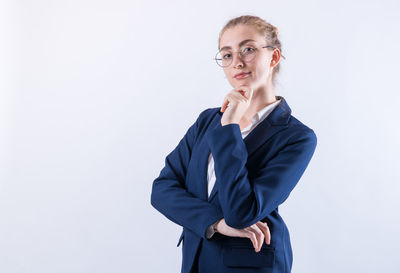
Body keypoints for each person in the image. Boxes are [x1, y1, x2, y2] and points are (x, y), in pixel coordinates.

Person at [151, 15, 317, 273]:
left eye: (248, 49)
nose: (237, 62)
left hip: (250, 263)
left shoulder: (296, 137)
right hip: (197, 259)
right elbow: (162, 190)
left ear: (273, 57)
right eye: (227, 55)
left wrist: (230, 126)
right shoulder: (208, 120)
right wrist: (214, 222)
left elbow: (242, 212)